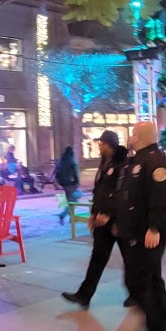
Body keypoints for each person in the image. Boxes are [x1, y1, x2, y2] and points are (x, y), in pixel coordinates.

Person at [116, 121, 166, 331]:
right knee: (149, 279)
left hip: (149, 234)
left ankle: (158, 329)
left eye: (133, 134)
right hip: (136, 231)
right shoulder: (138, 160)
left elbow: (162, 198)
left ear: (141, 136)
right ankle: (159, 327)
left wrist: (155, 228)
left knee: (139, 280)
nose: (130, 138)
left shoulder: (156, 161)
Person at [62, 130, 127, 307]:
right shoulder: (104, 163)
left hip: (117, 220)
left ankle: (137, 294)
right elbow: (100, 191)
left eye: (102, 143)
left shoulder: (122, 163)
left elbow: (122, 193)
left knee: (130, 259)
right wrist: (94, 213)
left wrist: (110, 215)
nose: (99, 145)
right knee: (98, 258)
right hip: (101, 219)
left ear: (110, 145)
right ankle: (84, 295)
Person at [55, 146, 80, 223]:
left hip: (64, 184)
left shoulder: (62, 160)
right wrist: (77, 182)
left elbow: (57, 172)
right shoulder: (72, 161)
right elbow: (75, 172)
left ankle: (71, 218)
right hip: (71, 183)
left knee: (70, 201)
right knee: (73, 202)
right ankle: (64, 215)